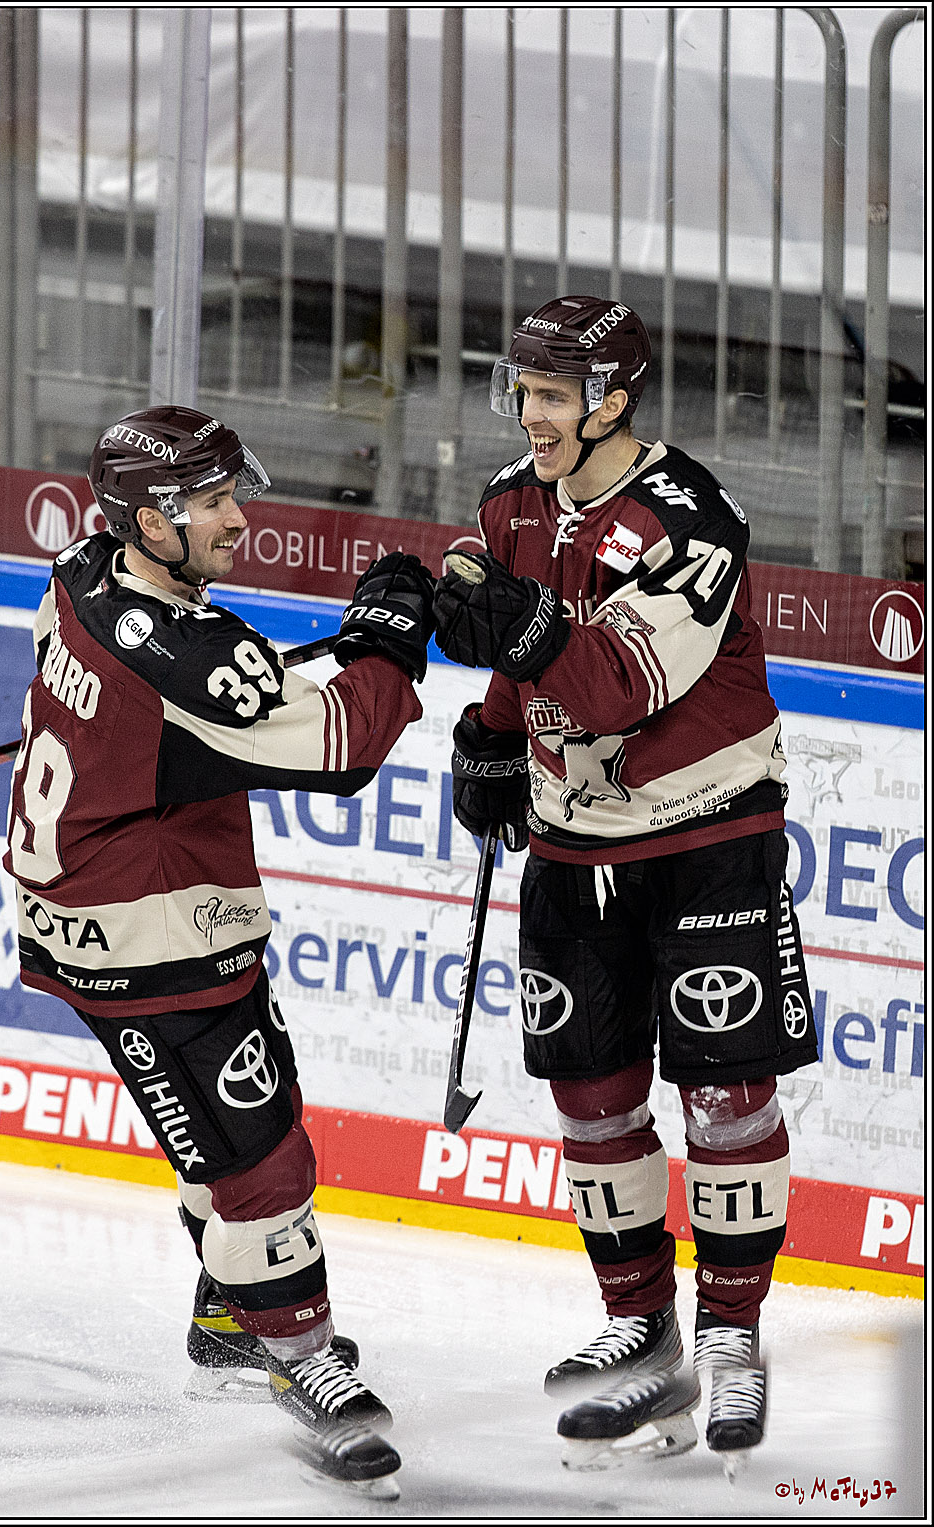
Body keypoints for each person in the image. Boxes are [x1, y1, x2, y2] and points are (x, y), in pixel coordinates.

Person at [2, 404, 436, 1491]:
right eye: (211, 504)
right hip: (156, 935)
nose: (239, 519)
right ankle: (294, 1357)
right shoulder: (192, 658)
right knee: (264, 1156)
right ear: (148, 523)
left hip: (83, 915)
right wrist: (386, 635)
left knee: (225, 1132)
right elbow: (343, 745)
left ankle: (232, 1319)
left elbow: (147, 683)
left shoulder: (80, 568)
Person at [432, 296, 818, 1470]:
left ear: (612, 399)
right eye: (522, 392)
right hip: (571, 847)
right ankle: (637, 1329)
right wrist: (494, 736)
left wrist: (507, 624)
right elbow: (518, 649)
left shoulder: (691, 520)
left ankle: (734, 1340)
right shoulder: (509, 504)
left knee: (725, 1102)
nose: (528, 415)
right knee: (592, 1101)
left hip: (705, 834)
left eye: (551, 396)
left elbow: (608, 683)